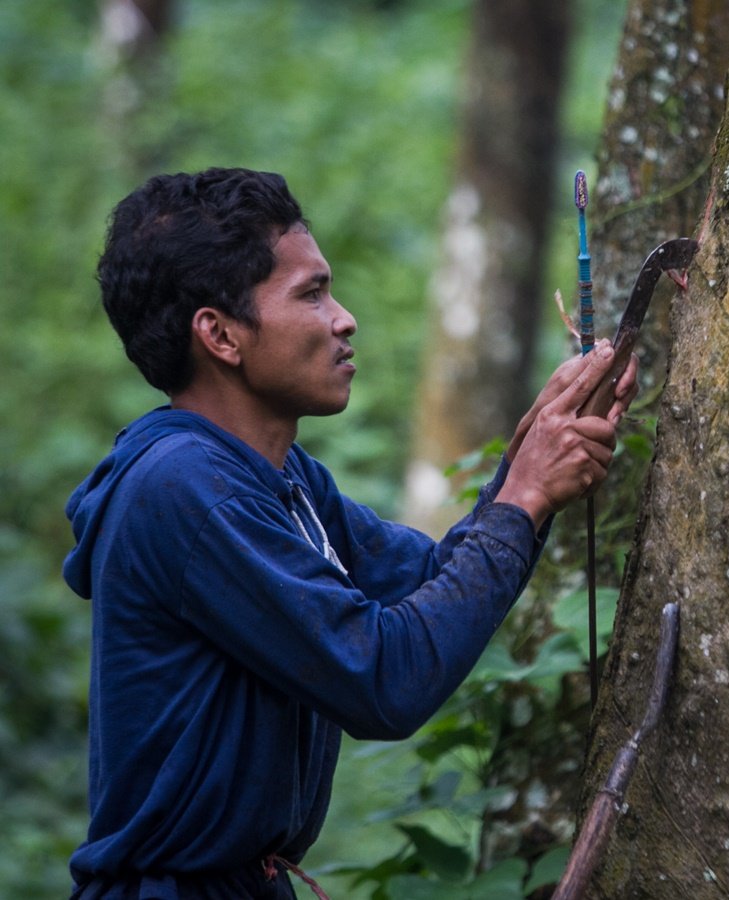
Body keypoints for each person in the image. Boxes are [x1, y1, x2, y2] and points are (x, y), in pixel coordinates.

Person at [62, 167, 636, 898]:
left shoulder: (281, 477)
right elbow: (384, 679)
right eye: (311, 294)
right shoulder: (185, 490)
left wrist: (536, 451)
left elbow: (435, 581)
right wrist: (524, 493)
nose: (344, 318)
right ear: (220, 334)